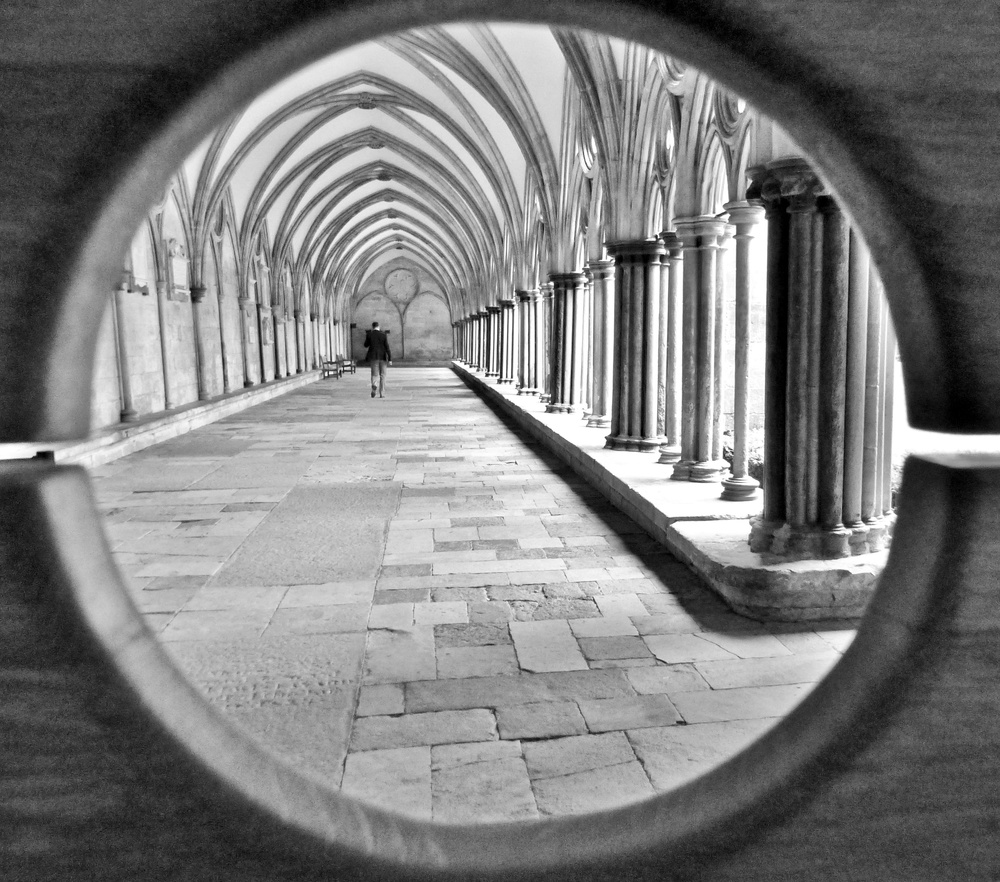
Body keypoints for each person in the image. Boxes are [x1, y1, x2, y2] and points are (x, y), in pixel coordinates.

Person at [363, 320, 392, 398]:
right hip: (382, 357)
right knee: (383, 375)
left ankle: (374, 384)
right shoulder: (383, 335)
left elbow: (365, 345)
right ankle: (382, 393)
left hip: (373, 357)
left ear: (372, 327)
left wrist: (368, 337)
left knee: (374, 374)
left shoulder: (369, 334)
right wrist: (390, 359)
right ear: (379, 326)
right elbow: (387, 347)